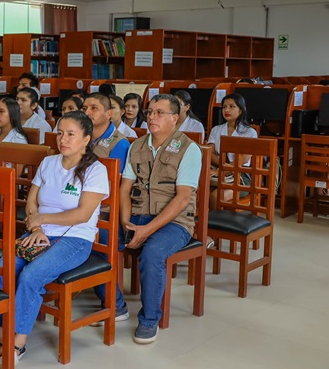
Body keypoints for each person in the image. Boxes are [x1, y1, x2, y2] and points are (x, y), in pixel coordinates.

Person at [0, 111, 109, 366]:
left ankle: (18, 343)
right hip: (39, 233)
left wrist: (43, 221)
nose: (63, 139)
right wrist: (36, 228)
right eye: (60, 133)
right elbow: (32, 201)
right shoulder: (49, 162)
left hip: (75, 240)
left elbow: (82, 215)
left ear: (85, 139)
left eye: (71, 134)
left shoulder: (95, 170)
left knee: (31, 275)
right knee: (2, 269)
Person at [121, 94, 201, 344]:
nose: (151, 117)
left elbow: (181, 199)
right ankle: (115, 306)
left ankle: (149, 319)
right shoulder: (137, 145)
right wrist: (126, 224)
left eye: (159, 113)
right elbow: (125, 189)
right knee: (104, 237)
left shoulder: (189, 149)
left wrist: (146, 231)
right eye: (150, 112)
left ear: (175, 119)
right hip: (138, 214)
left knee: (153, 252)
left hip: (176, 222)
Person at [82, 92, 130, 320]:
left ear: (109, 114)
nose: (87, 113)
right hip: (82, 205)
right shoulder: (82, 138)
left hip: (106, 212)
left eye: (93, 108)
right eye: (84, 109)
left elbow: (116, 189)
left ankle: (116, 304)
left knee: (95, 237)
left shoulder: (119, 143)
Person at [207, 93, 257, 210]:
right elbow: (210, 153)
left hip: (240, 177)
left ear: (242, 109)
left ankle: (216, 226)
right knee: (198, 192)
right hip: (217, 173)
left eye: (231, 106)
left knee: (216, 196)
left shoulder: (249, 132)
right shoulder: (216, 129)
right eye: (224, 107)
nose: (226, 110)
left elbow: (245, 158)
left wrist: (225, 169)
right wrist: (221, 169)